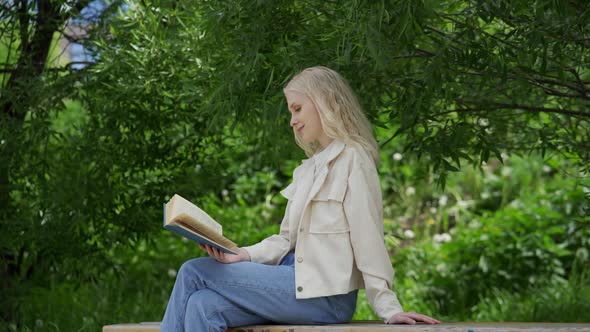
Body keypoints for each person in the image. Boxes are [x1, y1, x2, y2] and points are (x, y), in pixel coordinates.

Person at [160, 66, 440, 331]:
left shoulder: (353, 158)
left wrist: (389, 308)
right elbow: (285, 240)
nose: (292, 120)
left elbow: (367, 237)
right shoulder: (306, 171)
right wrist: (242, 254)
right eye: (290, 111)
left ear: (325, 103)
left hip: (326, 296)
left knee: (192, 272)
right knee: (203, 305)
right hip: (291, 283)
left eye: (297, 109)